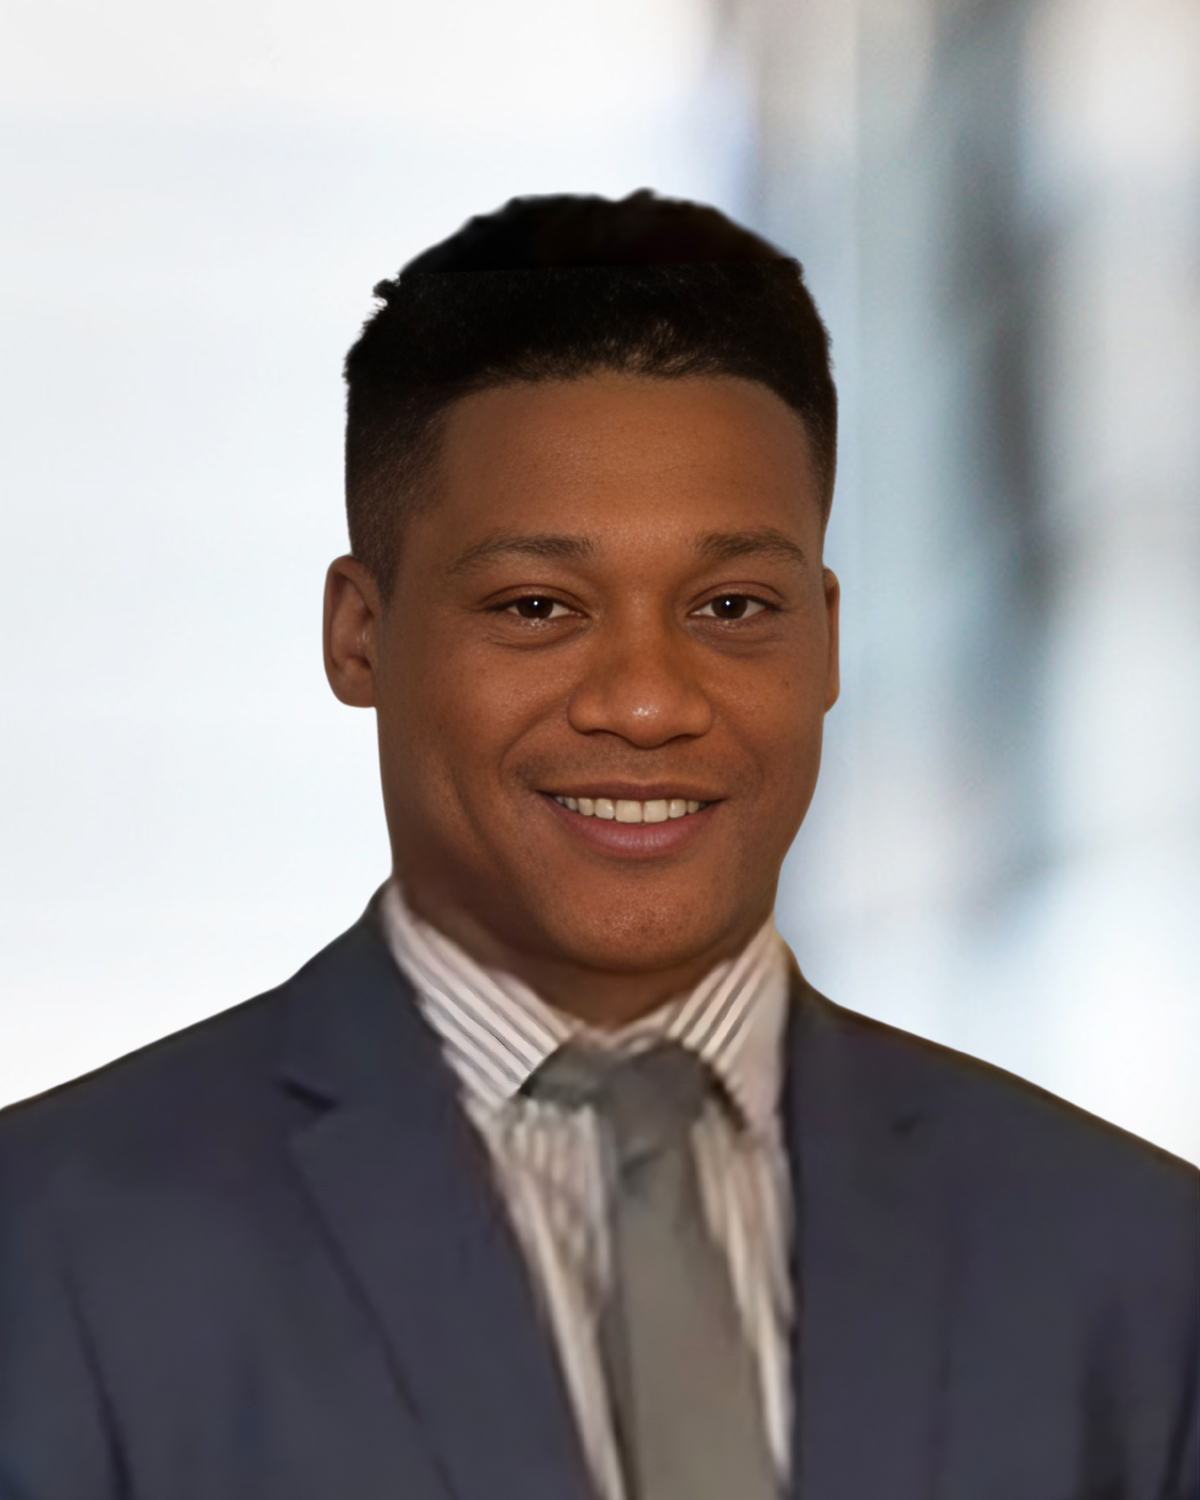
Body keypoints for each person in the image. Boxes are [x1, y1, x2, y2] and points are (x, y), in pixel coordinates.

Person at [0, 190, 1195, 1500]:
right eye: (537, 606)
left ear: (827, 640)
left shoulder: (1137, 1267)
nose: (645, 701)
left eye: (731, 606)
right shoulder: (50, 1248)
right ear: (359, 634)